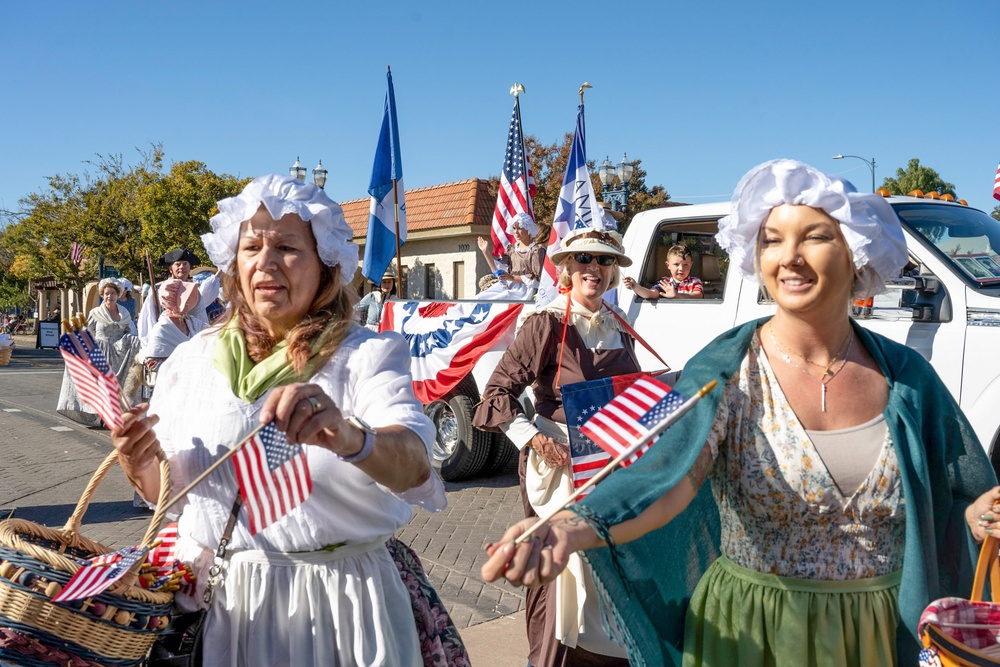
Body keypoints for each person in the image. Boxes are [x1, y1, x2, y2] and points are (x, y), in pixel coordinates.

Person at [481, 159, 1000, 667]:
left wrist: (976, 519)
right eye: (772, 239)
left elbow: (951, 499)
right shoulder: (724, 370)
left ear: (858, 255)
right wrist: (572, 524)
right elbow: (665, 475)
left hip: (880, 636)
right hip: (753, 635)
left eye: (814, 237)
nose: (788, 257)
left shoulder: (908, 380)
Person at [111, 174, 462, 666]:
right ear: (234, 265)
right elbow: (171, 496)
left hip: (340, 610)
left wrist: (349, 436)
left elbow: (415, 466)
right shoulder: (190, 361)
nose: (267, 262)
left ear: (326, 266)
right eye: (251, 246)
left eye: (288, 248)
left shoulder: (365, 355)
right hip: (223, 612)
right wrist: (139, 462)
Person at [473, 222, 637, 666]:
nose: (594, 267)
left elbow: (634, 392)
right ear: (567, 266)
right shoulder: (546, 322)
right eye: (584, 257)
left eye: (605, 259)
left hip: (605, 463)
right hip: (558, 463)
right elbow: (496, 396)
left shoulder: (619, 325)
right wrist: (537, 439)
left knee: (602, 567)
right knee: (556, 568)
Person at [57, 277, 142, 426]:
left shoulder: (124, 313)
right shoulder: (96, 312)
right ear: (103, 295)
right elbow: (87, 331)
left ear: (118, 294)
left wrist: (131, 340)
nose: (110, 297)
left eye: (113, 294)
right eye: (107, 294)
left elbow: (130, 331)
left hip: (118, 353)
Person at [136, 247, 217, 346]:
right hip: (166, 339)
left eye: (185, 264)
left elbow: (200, 315)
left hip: (190, 340)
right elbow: (148, 318)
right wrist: (150, 344)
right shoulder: (158, 289)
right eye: (177, 264)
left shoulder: (194, 290)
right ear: (171, 269)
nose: (182, 267)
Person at [477, 212, 546, 300]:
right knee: (482, 297)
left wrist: (512, 277)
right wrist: (485, 252)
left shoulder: (536, 250)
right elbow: (499, 270)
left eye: (519, 228)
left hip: (525, 290)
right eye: (514, 228)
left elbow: (537, 277)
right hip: (509, 285)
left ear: (528, 229)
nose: (516, 232)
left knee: (500, 299)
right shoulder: (511, 249)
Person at [622, 243, 704, 299]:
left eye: (686, 265)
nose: (681, 269)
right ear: (668, 265)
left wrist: (676, 295)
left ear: (691, 265)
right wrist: (635, 286)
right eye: (676, 264)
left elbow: (698, 296)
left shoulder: (694, 281)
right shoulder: (664, 282)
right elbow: (651, 294)